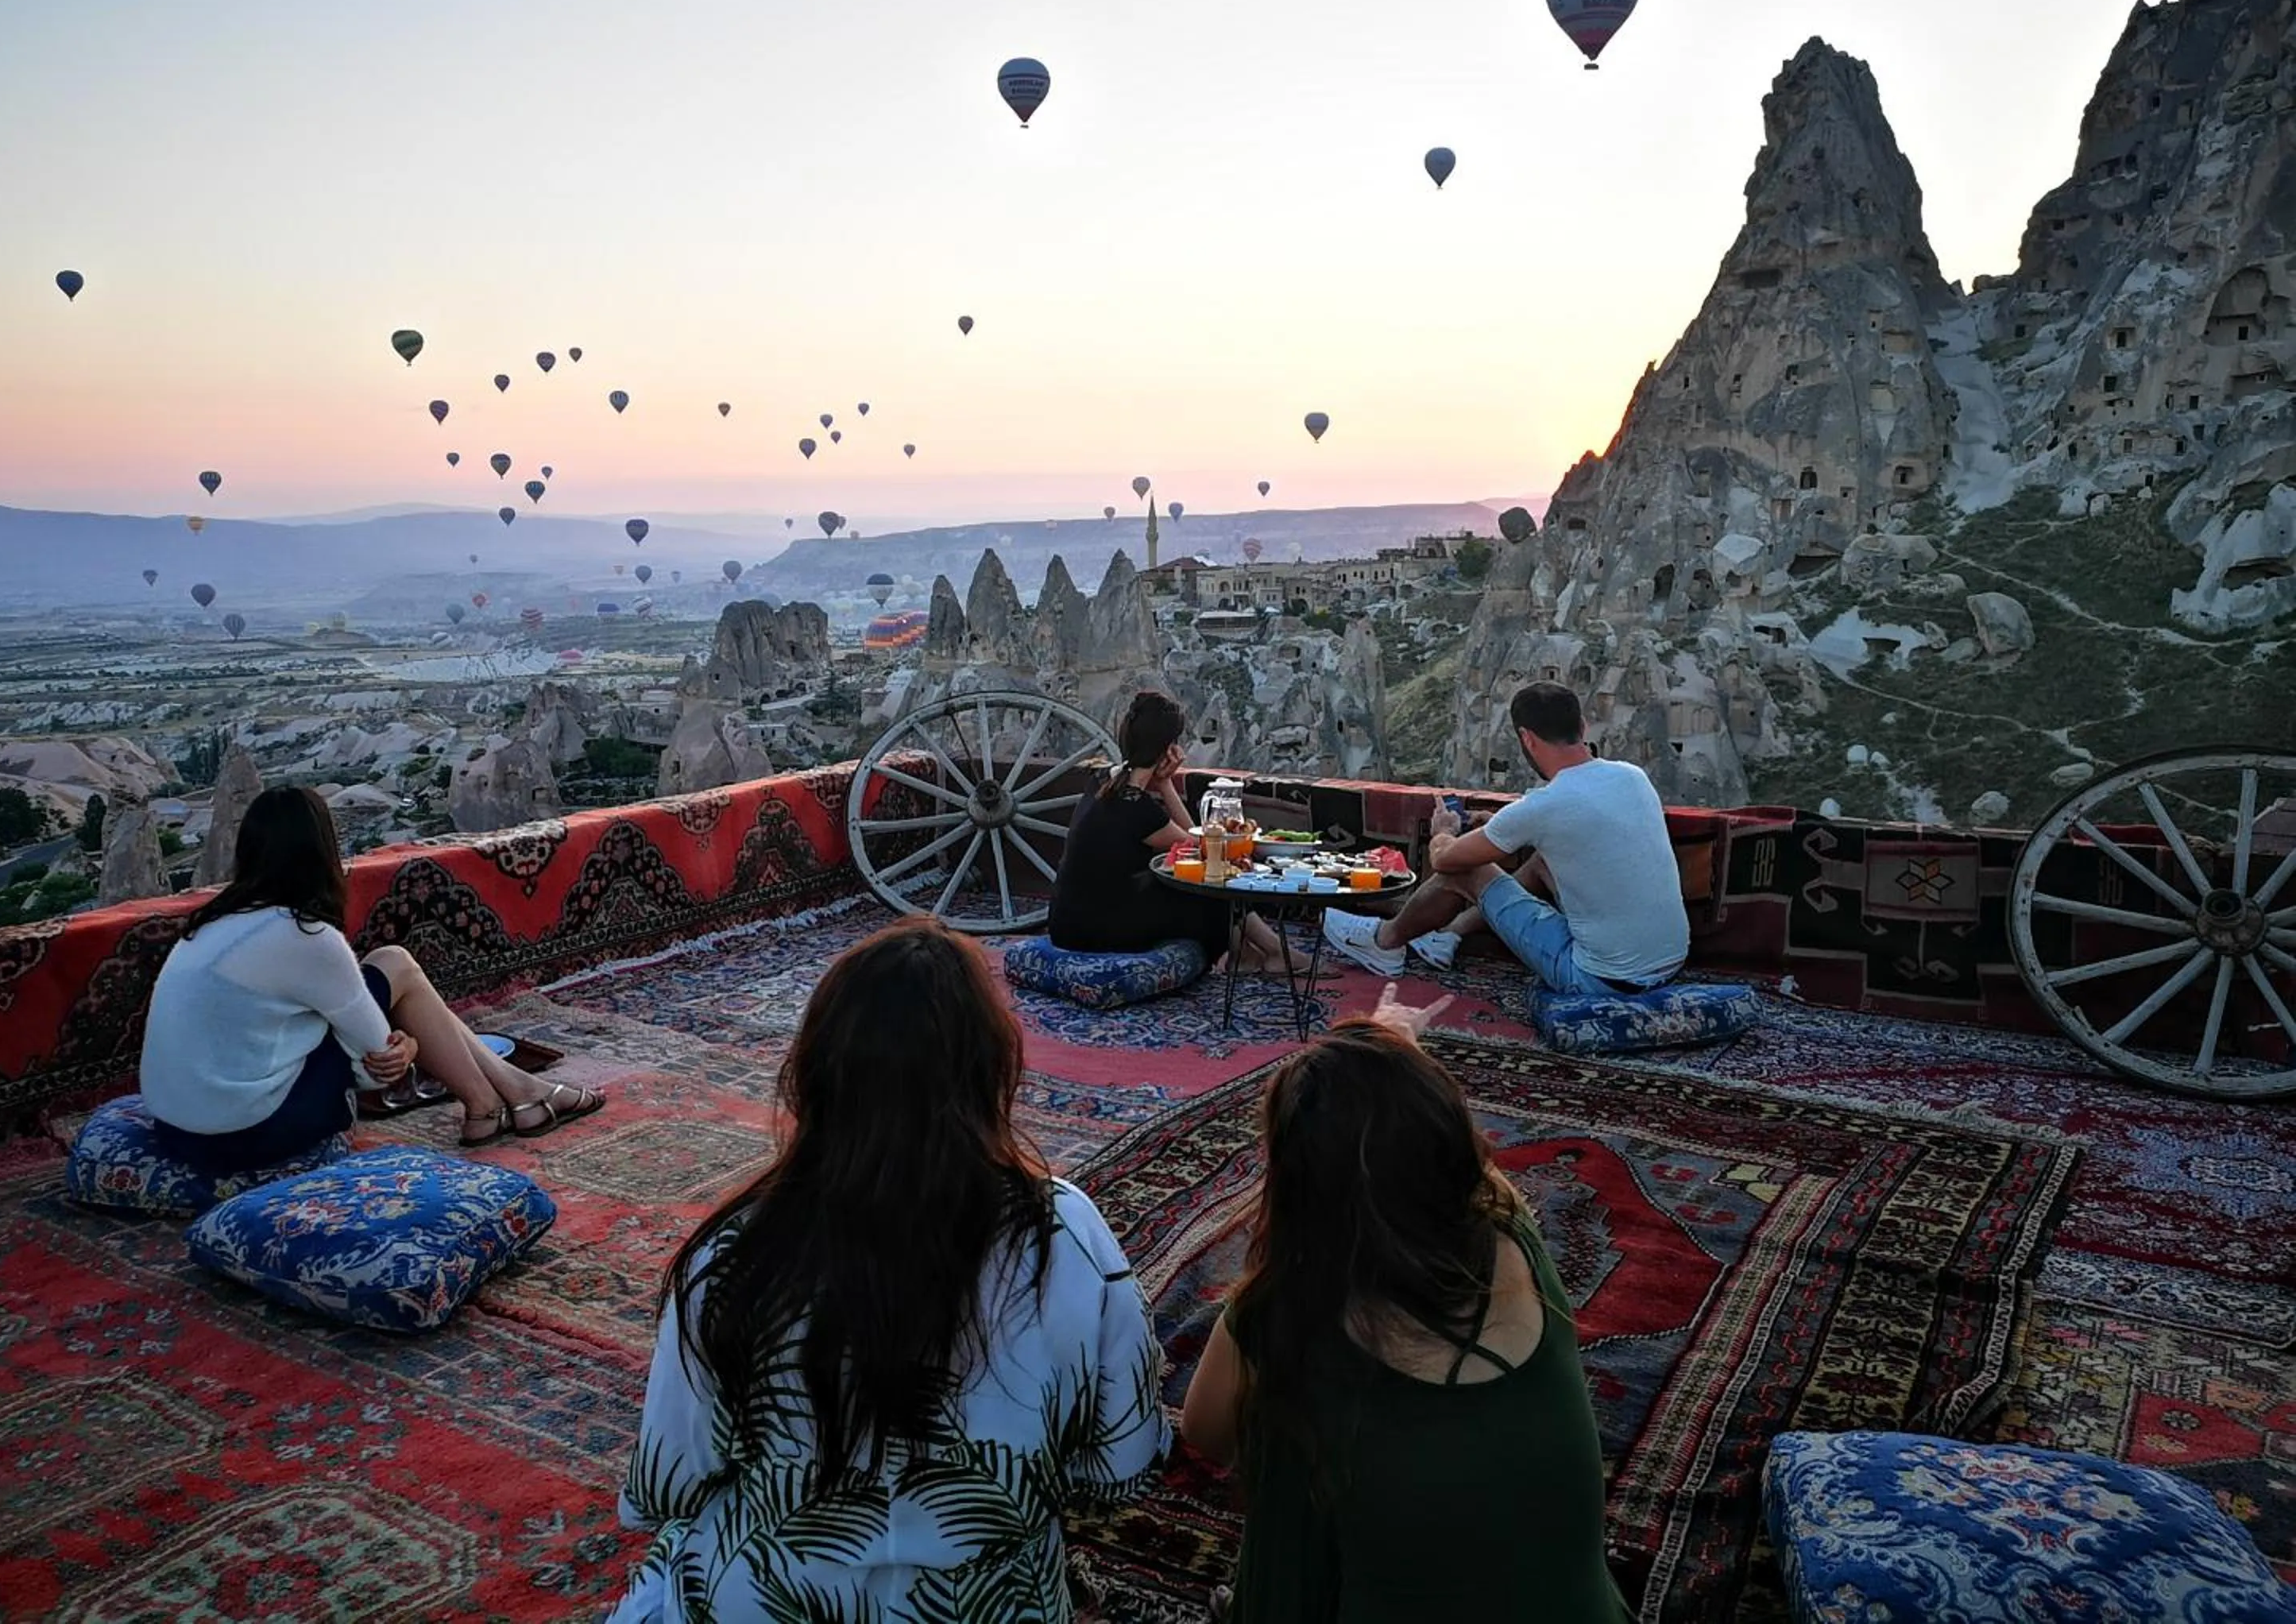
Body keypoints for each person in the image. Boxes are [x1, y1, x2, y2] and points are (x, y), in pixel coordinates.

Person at [612, 917, 1169, 1622]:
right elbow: (1120, 1467)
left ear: (812, 1074)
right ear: (993, 1070)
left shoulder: (733, 1254)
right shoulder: (1068, 1235)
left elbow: (667, 1488)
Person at [1179, 1000, 1629, 1624]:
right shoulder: (1511, 1227)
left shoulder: (1284, 1308)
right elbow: (1440, 1153)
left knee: (1282, 1425)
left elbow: (1205, 1433)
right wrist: (1398, 1054)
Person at [139, 785, 604, 1165]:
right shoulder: (304, 936)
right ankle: (504, 1099)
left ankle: (501, 1102)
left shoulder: (212, 924)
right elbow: (378, 1067)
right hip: (248, 1134)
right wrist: (411, 1047)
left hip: (176, 1131)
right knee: (396, 964)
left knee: (386, 979)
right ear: (322, 852)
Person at [1320, 682, 1687, 992]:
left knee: (1469, 869)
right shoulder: (1632, 776)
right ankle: (1449, 934)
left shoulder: (1546, 805)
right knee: (1544, 857)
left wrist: (1444, 833)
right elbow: (1575, 828)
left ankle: (1385, 942)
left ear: (1526, 739)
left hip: (1601, 979)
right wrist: (1499, 822)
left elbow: (1446, 860)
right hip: (1669, 962)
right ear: (1583, 726)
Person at [1047, 689, 1295, 971]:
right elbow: (1207, 846)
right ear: (1169, 749)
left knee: (1182, 882)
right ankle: (1275, 952)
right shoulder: (1136, 807)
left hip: (1067, 921)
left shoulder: (1103, 781)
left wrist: (1163, 782)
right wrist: (1166, 785)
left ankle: (1249, 954)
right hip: (1094, 929)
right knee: (1209, 879)